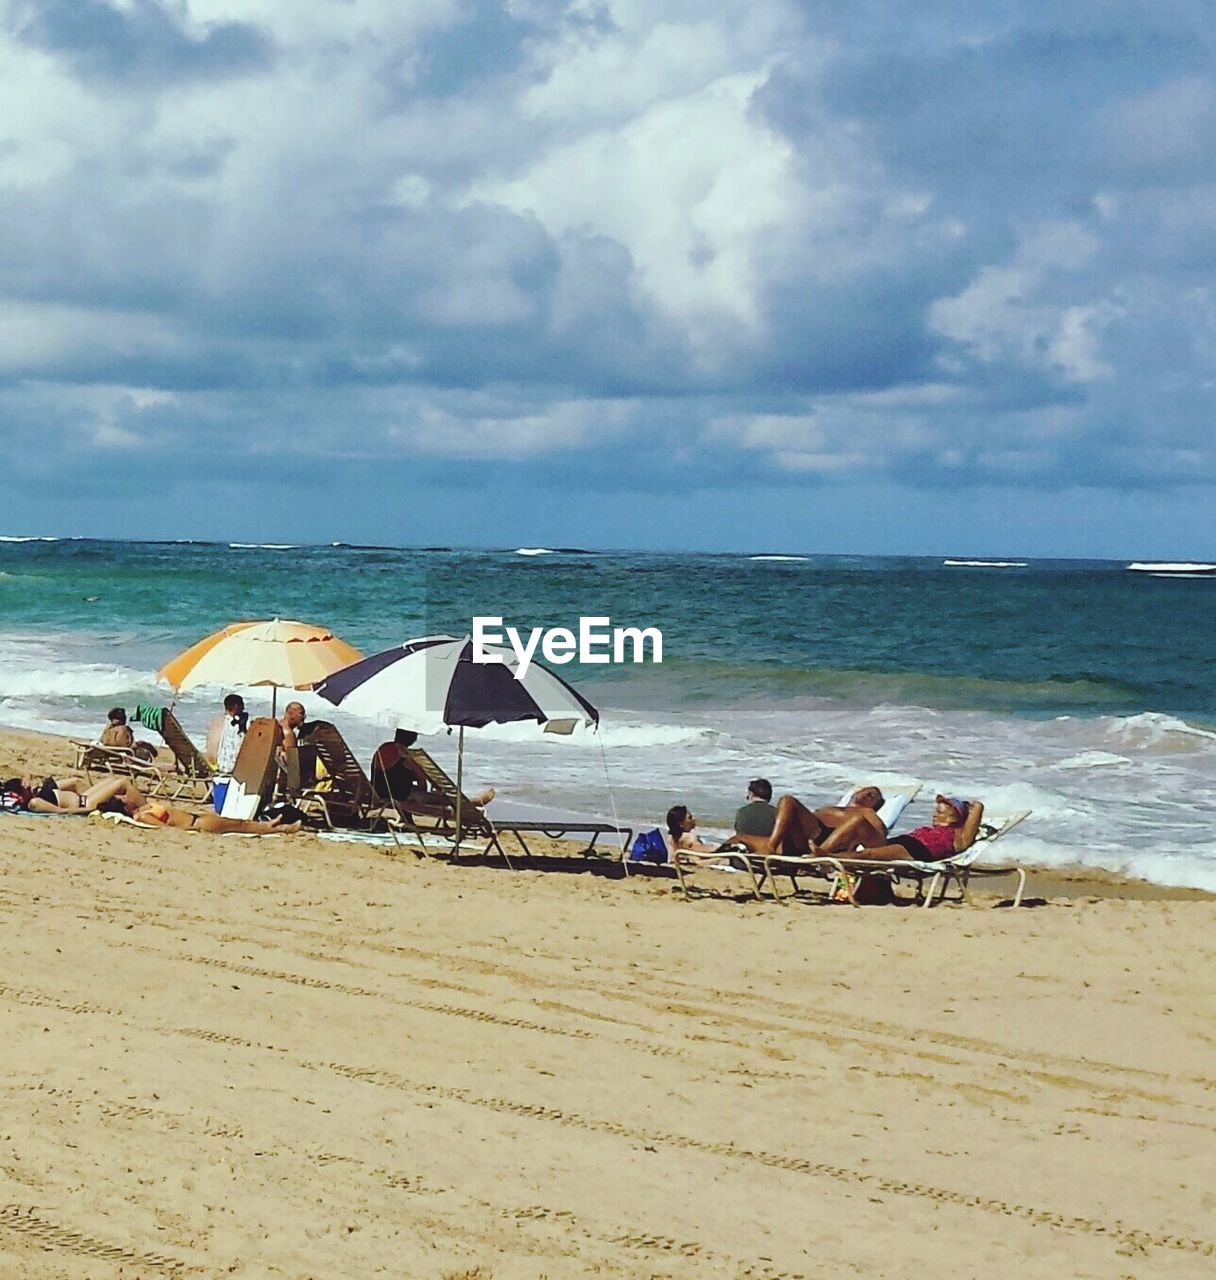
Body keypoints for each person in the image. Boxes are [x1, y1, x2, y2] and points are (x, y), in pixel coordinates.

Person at [736, 785, 888, 856]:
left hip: (830, 842)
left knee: (857, 820)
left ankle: (821, 854)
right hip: (808, 837)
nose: (867, 794)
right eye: (866, 791)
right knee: (787, 800)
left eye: (873, 796)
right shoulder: (830, 808)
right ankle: (771, 846)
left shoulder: (867, 813)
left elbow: (879, 837)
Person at [841, 795, 985, 863]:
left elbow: (969, 833)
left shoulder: (958, 837)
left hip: (918, 850)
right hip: (904, 842)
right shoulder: (932, 830)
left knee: (868, 855)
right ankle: (825, 852)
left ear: (953, 818)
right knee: (858, 823)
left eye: (940, 812)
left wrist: (977, 807)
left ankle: (829, 857)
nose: (934, 815)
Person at [370, 730, 494, 809]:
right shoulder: (407, 758)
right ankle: (474, 802)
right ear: (413, 739)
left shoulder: (383, 748)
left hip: (376, 792)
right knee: (441, 799)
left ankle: (470, 801)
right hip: (399, 798)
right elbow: (423, 785)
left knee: (424, 794)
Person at [133, 799, 302, 835]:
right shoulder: (142, 816)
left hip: (199, 819)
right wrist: (194, 829)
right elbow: (165, 828)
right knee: (241, 825)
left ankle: (275, 826)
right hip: (199, 823)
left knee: (241, 824)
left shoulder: (144, 807)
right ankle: (282, 828)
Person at [4, 774, 147, 816]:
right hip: (85, 804)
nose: (29, 784)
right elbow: (61, 811)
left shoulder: (36, 794)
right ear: (21, 794)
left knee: (112, 779)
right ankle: (148, 808)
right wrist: (88, 810)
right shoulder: (34, 803)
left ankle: (138, 805)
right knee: (123, 782)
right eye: (26, 786)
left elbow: (72, 782)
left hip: (84, 797)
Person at [206, 694, 247, 773]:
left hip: (213, 766)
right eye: (242, 705)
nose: (244, 708)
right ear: (236, 706)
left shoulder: (216, 721)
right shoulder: (233, 723)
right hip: (229, 769)